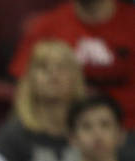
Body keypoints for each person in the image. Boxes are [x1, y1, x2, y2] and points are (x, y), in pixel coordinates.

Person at [9, 0, 135, 130]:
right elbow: (25, 85)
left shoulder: (131, 22)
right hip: (62, 130)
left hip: (128, 127)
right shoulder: (47, 26)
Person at [0, 40, 85, 161]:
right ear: (30, 79)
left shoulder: (90, 132)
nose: (53, 74)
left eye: (62, 67)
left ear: (76, 78)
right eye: (43, 68)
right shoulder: (11, 137)